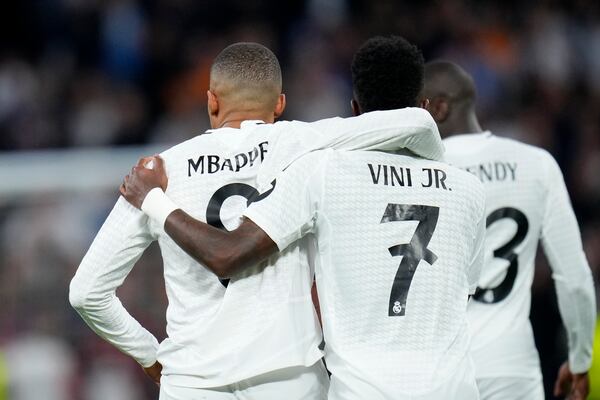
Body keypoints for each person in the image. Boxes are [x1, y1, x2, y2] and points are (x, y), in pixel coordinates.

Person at [69, 42, 445, 400]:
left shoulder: (161, 171)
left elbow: (87, 291)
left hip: (193, 382)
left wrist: (150, 356)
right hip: (288, 375)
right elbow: (418, 124)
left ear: (211, 100)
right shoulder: (302, 141)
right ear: (280, 103)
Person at [420, 60, 596, 400]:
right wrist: (579, 358)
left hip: (438, 369)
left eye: (417, 105)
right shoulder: (535, 163)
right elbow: (574, 277)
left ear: (439, 107)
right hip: (511, 367)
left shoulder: (420, 171)